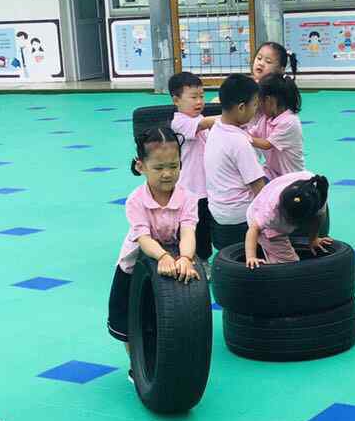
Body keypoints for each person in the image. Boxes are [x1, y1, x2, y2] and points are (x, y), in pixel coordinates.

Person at [109, 127, 199, 376]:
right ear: (141, 167)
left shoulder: (188, 198)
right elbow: (143, 237)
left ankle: (168, 364)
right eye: (159, 168)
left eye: (174, 166)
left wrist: (185, 258)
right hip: (135, 265)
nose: (168, 174)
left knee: (162, 321)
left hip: (172, 254)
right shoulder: (136, 200)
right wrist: (162, 256)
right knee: (130, 323)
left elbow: (189, 231)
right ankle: (136, 367)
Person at [204, 73, 266, 250]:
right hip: (240, 219)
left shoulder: (216, 129)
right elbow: (258, 186)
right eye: (254, 105)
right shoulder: (239, 142)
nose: (256, 110)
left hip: (218, 215)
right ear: (240, 108)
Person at [169, 70, 220, 266]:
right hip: (191, 189)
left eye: (202, 96)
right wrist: (231, 114)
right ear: (176, 100)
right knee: (195, 228)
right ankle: (198, 261)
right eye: (193, 97)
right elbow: (206, 123)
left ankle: (204, 259)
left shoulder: (199, 119)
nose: (199, 101)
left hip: (209, 188)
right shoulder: (179, 122)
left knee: (207, 226)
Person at [245, 172, 331, 268]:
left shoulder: (317, 191)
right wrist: (251, 257)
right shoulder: (270, 212)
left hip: (289, 207)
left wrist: (313, 239)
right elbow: (253, 229)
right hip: (261, 220)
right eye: (288, 220)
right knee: (289, 264)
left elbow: (318, 217)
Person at [256, 73, 304, 181]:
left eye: (259, 101)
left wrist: (242, 136)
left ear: (269, 100)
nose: (258, 106)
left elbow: (267, 144)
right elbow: (252, 133)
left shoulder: (290, 121)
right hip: (272, 172)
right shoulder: (266, 119)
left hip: (291, 178)